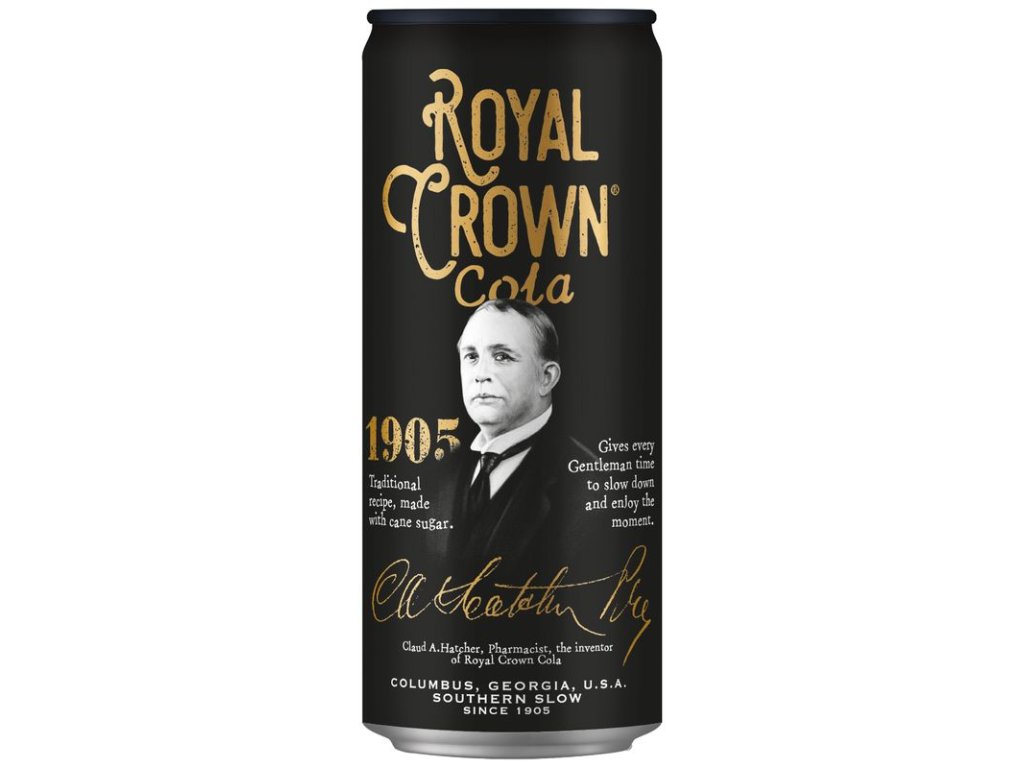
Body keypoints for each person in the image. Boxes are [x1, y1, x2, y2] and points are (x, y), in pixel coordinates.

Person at [439, 299, 597, 574]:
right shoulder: (443, 473)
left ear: (547, 377)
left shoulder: (589, 484)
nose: (480, 375)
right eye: (471, 356)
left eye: (502, 356)